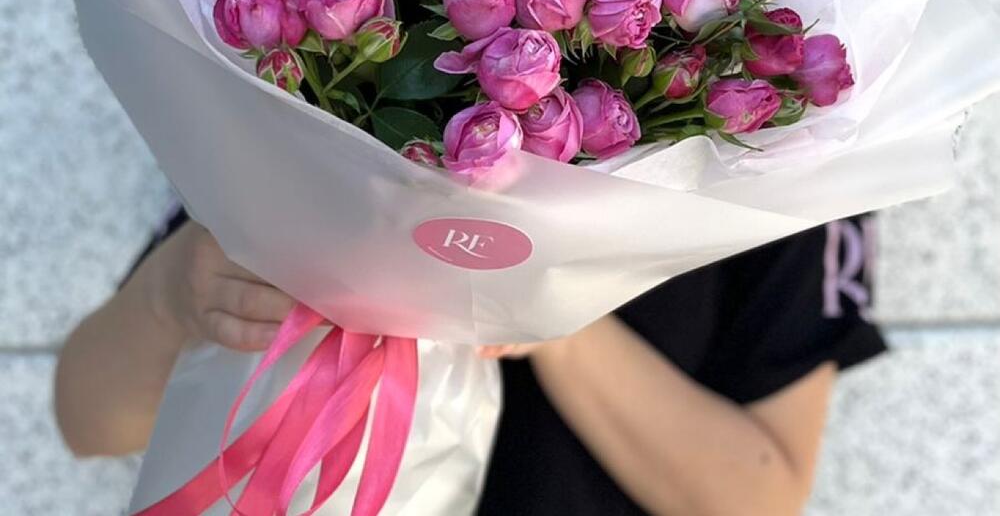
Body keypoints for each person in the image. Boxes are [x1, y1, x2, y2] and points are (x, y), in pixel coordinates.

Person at [55, 207, 884, 516]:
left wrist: (555, 318)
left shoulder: (777, 167)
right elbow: (88, 422)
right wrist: (170, 292)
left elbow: (757, 496)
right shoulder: (318, 108)